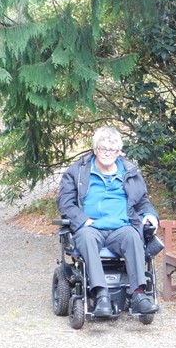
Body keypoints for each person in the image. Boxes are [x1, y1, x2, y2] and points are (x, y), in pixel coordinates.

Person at [57, 126, 160, 317]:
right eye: (103, 149)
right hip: (91, 227)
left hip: (120, 228)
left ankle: (139, 296)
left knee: (133, 236)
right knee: (87, 237)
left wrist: (150, 215)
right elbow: (65, 202)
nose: (107, 153)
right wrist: (81, 220)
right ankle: (101, 295)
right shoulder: (77, 171)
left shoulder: (129, 171)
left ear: (119, 152)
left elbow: (143, 201)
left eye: (112, 150)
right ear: (95, 149)